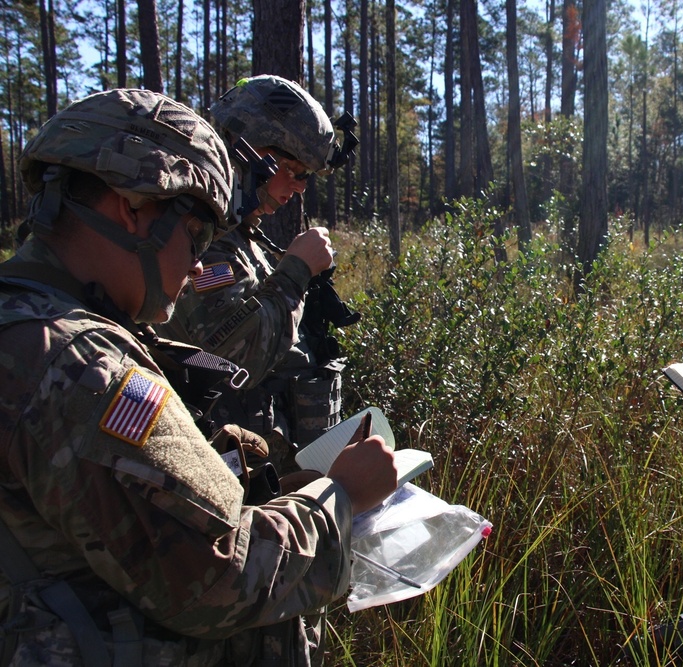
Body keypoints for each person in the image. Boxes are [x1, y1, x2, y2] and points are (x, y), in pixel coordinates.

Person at [0, 88, 396, 664]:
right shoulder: (79, 365)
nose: (193, 265)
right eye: (193, 235)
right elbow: (218, 577)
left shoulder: (33, 326)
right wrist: (338, 501)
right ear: (130, 205)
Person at [155, 74, 354, 467]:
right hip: (218, 463)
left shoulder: (242, 236)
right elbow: (233, 360)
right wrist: (296, 270)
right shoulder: (200, 241)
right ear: (249, 153)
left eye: (306, 178)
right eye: (295, 171)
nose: (298, 188)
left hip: (257, 462)